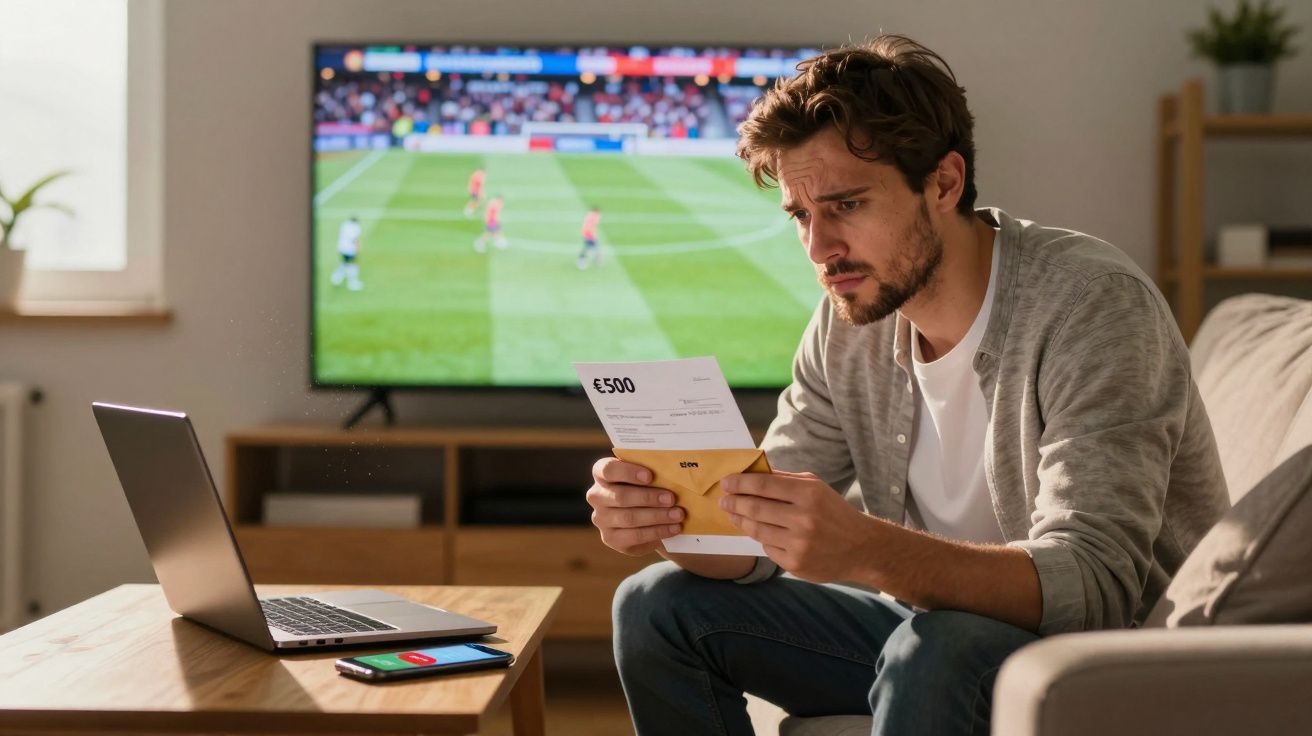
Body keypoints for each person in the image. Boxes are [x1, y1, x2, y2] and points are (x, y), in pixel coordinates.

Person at [585, 35, 1229, 736]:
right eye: (801, 215)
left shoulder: (1091, 304)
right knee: (656, 605)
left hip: (1105, 662)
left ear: (944, 183)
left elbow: (1094, 585)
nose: (819, 248)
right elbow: (758, 539)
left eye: (847, 205)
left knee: (933, 648)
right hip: (934, 635)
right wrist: (677, 520)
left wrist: (866, 548)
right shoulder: (850, 321)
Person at [330, 215, 363, 291]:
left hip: (342, 248)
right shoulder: (356, 227)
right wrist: (358, 248)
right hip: (349, 249)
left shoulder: (345, 224)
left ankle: (336, 279)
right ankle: (352, 283)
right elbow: (355, 239)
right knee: (352, 265)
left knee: (345, 264)